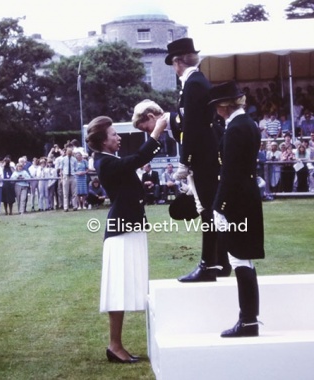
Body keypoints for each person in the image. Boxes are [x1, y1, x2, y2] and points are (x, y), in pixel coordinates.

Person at [85, 113, 165, 363]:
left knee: (124, 286)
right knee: (117, 288)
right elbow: (140, 158)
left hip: (129, 226)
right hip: (121, 230)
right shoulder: (104, 162)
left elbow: (127, 183)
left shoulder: (109, 159)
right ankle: (114, 346)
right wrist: (157, 131)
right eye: (113, 135)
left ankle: (117, 345)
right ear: (102, 141)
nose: (118, 137)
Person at [161, 37, 229, 281]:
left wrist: (185, 159)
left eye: (173, 63)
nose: (173, 68)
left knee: (207, 210)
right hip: (207, 154)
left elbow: (192, 126)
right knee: (210, 209)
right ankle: (219, 261)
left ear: (178, 62)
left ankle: (208, 264)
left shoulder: (193, 83)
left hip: (203, 157)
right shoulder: (196, 82)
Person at [209, 81, 265, 337]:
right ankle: (249, 319)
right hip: (246, 195)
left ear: (223, 107)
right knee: (245, 259)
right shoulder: (249, 124)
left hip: (236, 199)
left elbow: (229, 172)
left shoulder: (235, 129)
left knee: (239, 258)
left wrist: (219, 206)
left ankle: (248, 321)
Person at [59, 147, 78, 212]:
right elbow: (61, 169)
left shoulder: (74, 159)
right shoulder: (63, 159)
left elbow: (76, 168)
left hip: (72, 176)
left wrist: (75, 174)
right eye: (68, 152)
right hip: (65, 176)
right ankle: (65, 207)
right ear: (66, 152)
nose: (69, 153)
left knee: (74, 192)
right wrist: (61, 178)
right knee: (65, 193)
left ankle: (74, 206)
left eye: (70, 152)